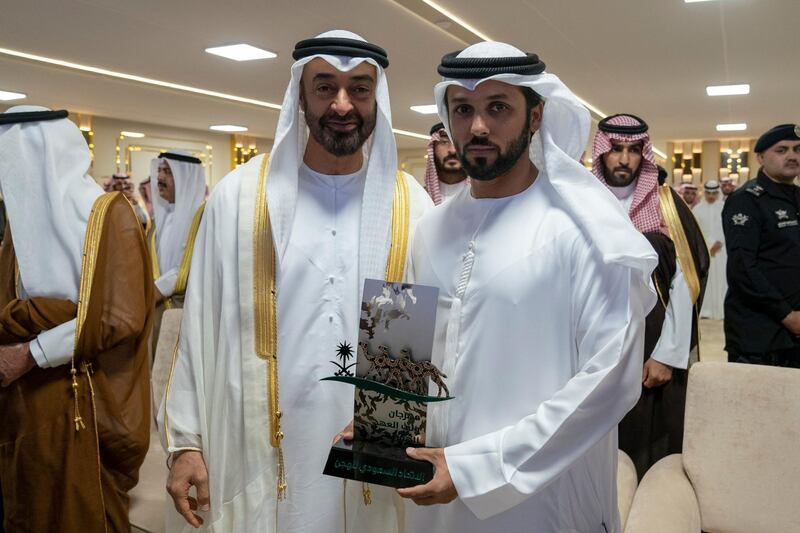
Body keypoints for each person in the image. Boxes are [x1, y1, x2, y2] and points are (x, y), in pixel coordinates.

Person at [159, 30, 432, 532]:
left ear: (377, 100)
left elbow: (408, 347)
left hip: (362, 460)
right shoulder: (241, 198)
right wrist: (186, 441)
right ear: (300, 96)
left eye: (360, 89)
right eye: (325, 86)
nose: (342, 104)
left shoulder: (406, 204)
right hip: (255, 449)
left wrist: (388, 430)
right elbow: (197, 327)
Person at [401, 42, 656, 533]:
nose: (477, 126)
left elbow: (609, 381)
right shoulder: (429, 229)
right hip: (435, 493)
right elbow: (409, 351)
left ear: (535, 115)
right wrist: (379, 423)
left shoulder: (585, 231)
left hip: (542, 499)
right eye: (463, 109)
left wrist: (480, 467)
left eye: (498, 107)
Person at [0, 105, 153, 531]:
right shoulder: (19, 225)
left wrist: (30, 351)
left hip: (85, 398)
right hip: (25, 406)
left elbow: (118, 317)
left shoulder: (108, 214)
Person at [591, 113, 709, 479]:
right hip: (590, 342)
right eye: (615, 149)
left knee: (647, 439)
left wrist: (667, 355)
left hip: (650, 344)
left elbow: (685, 283)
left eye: (633, 150)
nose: (624, 159)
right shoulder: (581, 201)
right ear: (600, 153)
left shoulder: (666, 205)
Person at [723, 123, 800, 368]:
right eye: (782, 150)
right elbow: (743, 268)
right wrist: (787, 316)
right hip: (759, 335)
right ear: (760, 158)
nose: (792, 156)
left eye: (797, 149)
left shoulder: (796, 198)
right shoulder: (746, 200)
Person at [151, 151, 206, 307]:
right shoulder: (160, 219)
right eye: (159, 171)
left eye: (167, 172)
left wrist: (157, 289)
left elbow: (192, 263)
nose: (159, 178)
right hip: (156, 306)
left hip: (186, 308)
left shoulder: (202, 217)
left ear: (186, 179)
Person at [692, 180, 726, 319]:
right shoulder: (697, 209)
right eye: (708, 193)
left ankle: (720, 310)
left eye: (714, 193)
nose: (711, 196)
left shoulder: (725, 207)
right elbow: (695, 230)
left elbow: (727, 228)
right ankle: (706, 310)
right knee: (707, 279)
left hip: (722, 250)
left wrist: (719, 243)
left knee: (721, 279)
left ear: (718, 193)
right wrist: (709, 245)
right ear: (704, 193)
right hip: (705, 250)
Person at [424, 122, 468, 204]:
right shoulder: (420, 197)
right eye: (444, 142)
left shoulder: (484, 195)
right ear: (433, 149)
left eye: (459, 143)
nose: (453, 150)